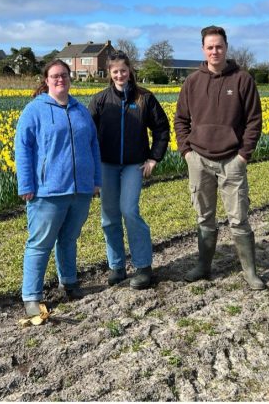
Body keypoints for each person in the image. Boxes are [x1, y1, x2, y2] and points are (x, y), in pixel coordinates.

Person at [174, 25, 266, 290]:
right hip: (199, 160)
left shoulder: (242, 79)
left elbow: (254, 121)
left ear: (226, 47)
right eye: (210, 47)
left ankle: (250, 272)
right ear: (203, 49)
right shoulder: (192, 82)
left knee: (238, 218)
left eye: (219, 46)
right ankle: (203, 266)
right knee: (205, 217)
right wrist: (187, 152)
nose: (215, 51)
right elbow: (181, 120)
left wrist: (243, 156)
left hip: (232, 162)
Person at [15, 59, 102, 317]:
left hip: (80, 190)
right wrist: (27, 184)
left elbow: (93, 145)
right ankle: (31, 296)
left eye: (64, 75)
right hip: (47, 191)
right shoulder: (34, 110)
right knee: (40, 243)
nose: (60, 79)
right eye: (54, 76)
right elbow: (23, 147)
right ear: (46, 80)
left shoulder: (80, 110)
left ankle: (69, 281)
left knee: (69, 239)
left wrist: (95, 180)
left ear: (70, 77)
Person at [88, 51, 170, 290]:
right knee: (109, 217)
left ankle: (143, 266)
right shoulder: (100, 100)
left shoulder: (145, 98)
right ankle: (116, 266)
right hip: (107, 165)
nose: (120, 75)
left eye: (123, 70)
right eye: (115, 71)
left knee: (129, 211)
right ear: (109, 73)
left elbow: (161, 129)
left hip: (134, 165)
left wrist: (154, 158)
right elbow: (87, 134)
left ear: (130, 71)